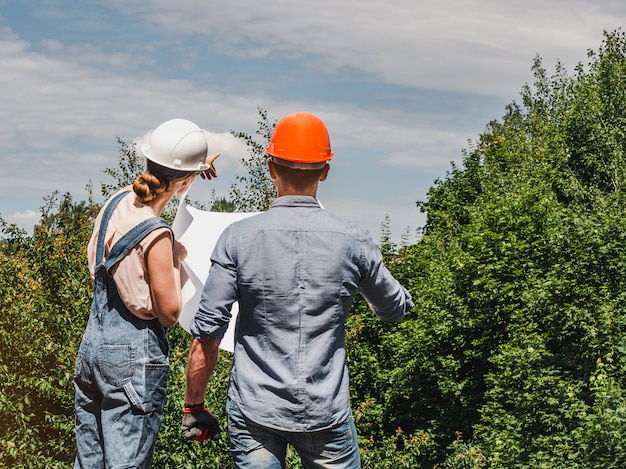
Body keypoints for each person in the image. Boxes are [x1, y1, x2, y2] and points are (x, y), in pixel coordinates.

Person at [182, 111, 414, 468]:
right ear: (325, 171)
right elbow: (394, 309)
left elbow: (208, 332)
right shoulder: (353, 241)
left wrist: (194, 406)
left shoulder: (237, 240)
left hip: (255, 409)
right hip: (325, 410)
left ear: (272, 167)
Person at [73, 118, 220, 468]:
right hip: (133, 358)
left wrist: (192, 173)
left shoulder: (117, 201)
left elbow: (153, 196)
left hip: (92, 347)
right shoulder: (158, 235)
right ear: (184, 180)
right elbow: (169, 311)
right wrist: (176, 260)